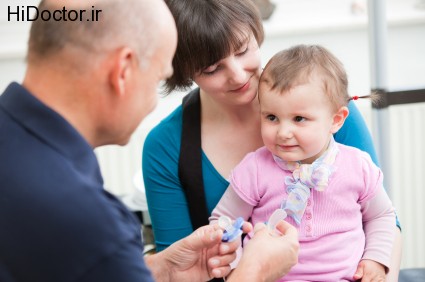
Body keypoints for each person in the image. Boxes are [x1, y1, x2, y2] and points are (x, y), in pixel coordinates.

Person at [0, 0, 300, 281]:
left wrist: (163, 270)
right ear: (123, 72)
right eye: (159, 75)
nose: (153, 105)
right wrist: (254, 271)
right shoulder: (91, 224)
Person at [142, 0, 402, 279]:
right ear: (182, 70)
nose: (239, 75)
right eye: (211, 69)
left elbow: (383, 220)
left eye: (243, 50)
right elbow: (180, 270)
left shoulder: (323, 108)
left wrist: (378, 270)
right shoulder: (165, 146)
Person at [210, 44, 396, 281]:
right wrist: (238, 270)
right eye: (271, 117)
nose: (283, 132)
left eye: (299, 119)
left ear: (336, 120)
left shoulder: (358, 166)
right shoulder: (254, 169)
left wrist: (375, 260)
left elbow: (381, 216)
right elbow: (223, 222)